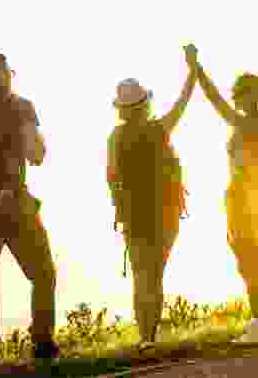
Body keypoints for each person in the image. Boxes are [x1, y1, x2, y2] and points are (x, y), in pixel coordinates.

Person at [186, 45, 258, 344]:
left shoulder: (245, 125)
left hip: (243, 200)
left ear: (251, 97)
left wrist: (195, 66)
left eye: (238, 96)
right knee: (251, 262)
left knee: (247, 263)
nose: (234, 100)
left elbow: (212, 98)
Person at [0, 51, 60, 363]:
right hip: (13, 203)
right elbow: (36, 154)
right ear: (5, 74)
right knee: (44, 274)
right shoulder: (20, 107)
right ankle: (43, 347)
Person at [106, 48, 197, 351]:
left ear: (120, 109)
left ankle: (145, 337)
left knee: (141, 276)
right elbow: (184, 101)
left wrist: (120, 207)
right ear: (145, 104)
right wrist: (193, 67)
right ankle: (149, 338)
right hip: (165, 213)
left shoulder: (115, 138)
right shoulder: (159, 129)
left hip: (133, 215)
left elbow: (111, 178)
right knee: (154, 275)